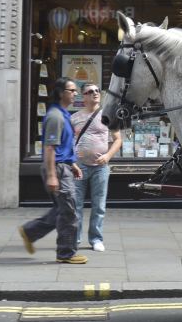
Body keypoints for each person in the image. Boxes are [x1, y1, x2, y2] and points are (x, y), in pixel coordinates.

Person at [18, 78, 88, 264]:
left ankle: (30, 231)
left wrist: (72, 164)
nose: (75, 94)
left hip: (63, 167)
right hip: (57, 169)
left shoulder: (63, 114)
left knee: (61, 209)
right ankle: (66, 253)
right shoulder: (55, 117)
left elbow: (63, 146)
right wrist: (51, 175)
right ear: (60, 93)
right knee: (69, 212)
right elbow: (49, 147)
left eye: (75, 90)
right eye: (71, 90)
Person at [71, 83, 121, 252]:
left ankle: (96, 239)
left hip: (101, 168)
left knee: (99, 205)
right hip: (79, 167)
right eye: (90, 91)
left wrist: (107, 156)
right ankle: (75, 238)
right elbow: (68, 141)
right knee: (76, 205)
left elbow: (118, 140)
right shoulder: (75, 117)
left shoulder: (107, 116)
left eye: (97, 91)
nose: (94, 93)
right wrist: (72, 160)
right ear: (83, 96)